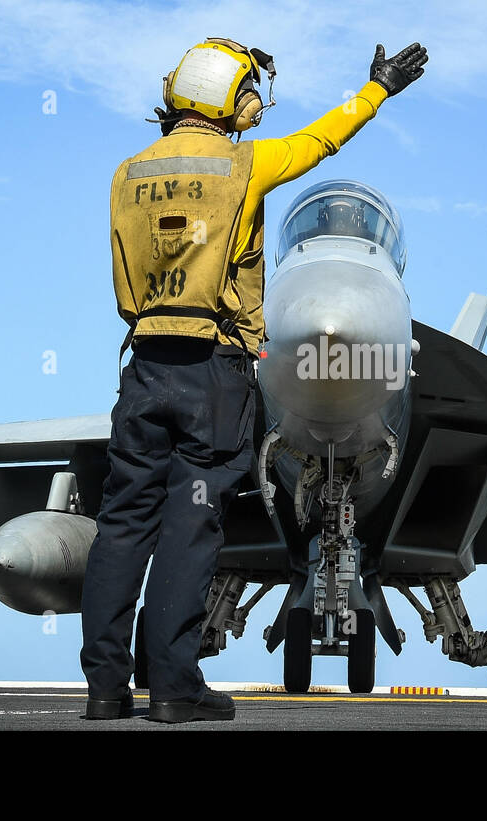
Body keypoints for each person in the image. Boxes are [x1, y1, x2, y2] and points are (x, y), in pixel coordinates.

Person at [79, 37, 428, 723]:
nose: (254, 105)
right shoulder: (245, 164)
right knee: (189, 526)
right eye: (248, 93)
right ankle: (175, 690)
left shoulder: (126, 175)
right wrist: (378, 88)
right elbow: (322, 141)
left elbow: (123, 281)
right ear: (226, 99)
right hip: (214, 370)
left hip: (144, 364)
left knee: (121, 526)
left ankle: (105, 689)